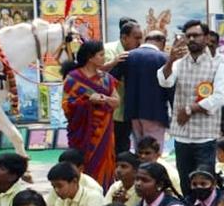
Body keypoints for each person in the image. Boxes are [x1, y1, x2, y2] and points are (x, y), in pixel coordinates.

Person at [158, 20, 224, 182]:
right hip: (182, 137)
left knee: (204, 184)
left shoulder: (218, 64)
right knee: (186, 183)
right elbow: (165, 81)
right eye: (188, 36)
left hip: (205, 136)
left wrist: (191, 109)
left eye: (195, 35)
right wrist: (170, 60)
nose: (191, 39)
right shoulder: (179, 63)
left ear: (205, 38)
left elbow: (219, 98)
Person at [61, 40, 120, 188]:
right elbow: (67, 106)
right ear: (90, 57)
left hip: (104, 131)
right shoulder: (73, 78)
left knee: (104, 164)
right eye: (101, 55)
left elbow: (116, 101)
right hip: (83, 132)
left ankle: (104, 194)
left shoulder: (106, 78)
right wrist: (88, 102)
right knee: (84, 163)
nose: (104, 58)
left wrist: (104, 98)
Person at [122, 28, 171, 147]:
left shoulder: (128, 56)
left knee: (139, 149)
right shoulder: (164, 58)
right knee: (153, 149)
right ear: (163, 42)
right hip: (156, 112)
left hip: (133, 112)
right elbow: (170, 87)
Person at [103, 19, 142, 154]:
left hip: (129, 111)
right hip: (109, 112)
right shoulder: (108, 50)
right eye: (136, 38)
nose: (139, 42)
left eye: (140, 38)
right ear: (124, 38)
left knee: (123, 148)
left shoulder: (139, 53)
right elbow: (96, 75)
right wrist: (114, 63)